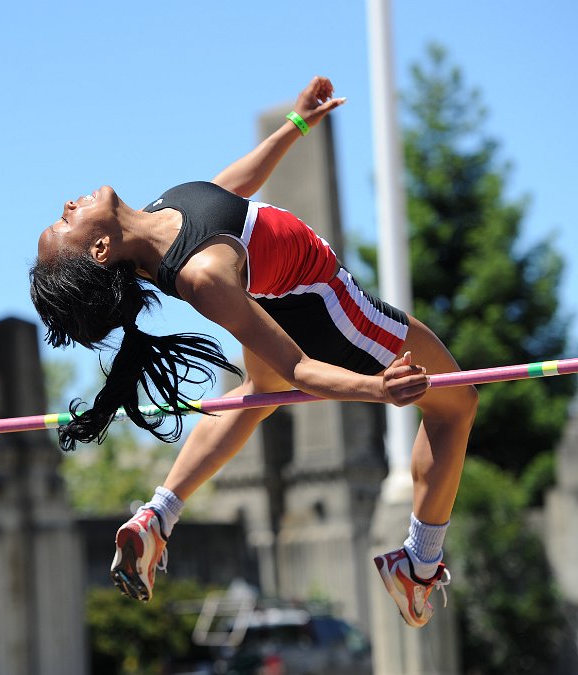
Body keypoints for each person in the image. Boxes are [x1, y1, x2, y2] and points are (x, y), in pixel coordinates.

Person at [29, 76, 478, 629]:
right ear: (100, 249)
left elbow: (227, 194)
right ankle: (420, 563)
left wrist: (294, 126)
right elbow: (301, 368)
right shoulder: (202, 275)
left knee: (258, 394)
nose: (69, 203)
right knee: (456, 404)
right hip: (330, 305)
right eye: (65, 221)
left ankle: (157, 516)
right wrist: (377, 389)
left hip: (287, 293)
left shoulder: (158, 216)